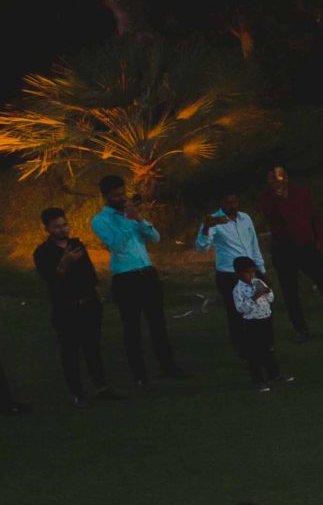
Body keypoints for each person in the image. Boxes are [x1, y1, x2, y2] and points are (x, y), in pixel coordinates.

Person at [91, 174, 183, 385]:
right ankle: (139, 374)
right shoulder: (100, 220)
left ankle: (168, 366)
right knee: (132, 327)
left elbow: (155, 238)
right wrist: (126, 220)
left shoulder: (131, 214)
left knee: (157, 323)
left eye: (123, 193)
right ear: (105, 196)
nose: (122, 198)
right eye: (116, 195)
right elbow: (116, 245)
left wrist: (140, 219)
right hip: (125, 277)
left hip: (146, 272)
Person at [256, 161, 323, 337]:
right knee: (291, 291)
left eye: (278, 175)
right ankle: (301, 330)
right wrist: (278, 195)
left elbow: (314, 216)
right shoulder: (267, 198)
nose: (276, 179)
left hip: (306, 246)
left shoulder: (300, 192)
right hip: (284, 249)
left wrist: (318, 240)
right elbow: (272, 217)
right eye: (271, 176)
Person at [33, 205, 116, 406]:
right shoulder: (43, 252)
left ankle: (101, 386)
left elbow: (88, 271)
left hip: (88, 303)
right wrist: (65, 262)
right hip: (66, 307)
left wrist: (97, 294)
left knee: (92, 347)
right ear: (47, 229)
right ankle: (78, 393)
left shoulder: (76, 245)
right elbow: (51, 279)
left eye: (64, 225)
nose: (62, 230)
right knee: (70, 350)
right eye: (56, 227)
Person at [194, 190, 262, 350]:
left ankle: (259, 343)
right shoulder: (214, 221)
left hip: (250, 271)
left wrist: (260, 269)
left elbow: (253, 244)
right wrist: (206, 228)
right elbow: (202, 247)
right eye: (228, 203)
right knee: (236, 313)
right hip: (229, 274)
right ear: (221, 203)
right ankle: (242, 348)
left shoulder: (245, 218)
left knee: (257, 308)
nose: (232, 206)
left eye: (234, 202)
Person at [227, 256, 285, 389]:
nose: (251, 275)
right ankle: (257, 379)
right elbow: (240, 309)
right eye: (247, 272)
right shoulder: (238, 290)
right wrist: (255, 297)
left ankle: (274, 374)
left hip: (266, 318)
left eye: (253, 271)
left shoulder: (258, 281)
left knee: (269, 348)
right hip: (253, 323)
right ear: (238, 274)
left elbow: (271, 298)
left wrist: (266, 292)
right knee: (255, 352)